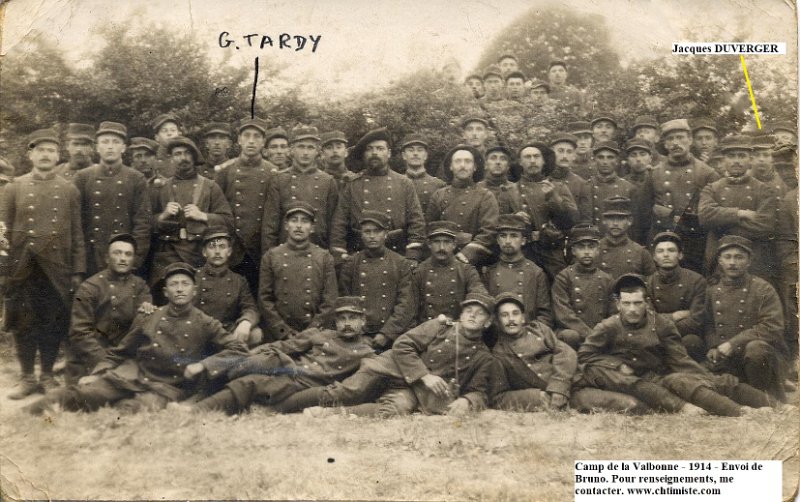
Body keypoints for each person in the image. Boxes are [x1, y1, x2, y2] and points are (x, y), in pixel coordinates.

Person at [24, 262, 249, 415]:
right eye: (173, 284)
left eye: (185, 284)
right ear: (166, 292)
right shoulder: (151, 316)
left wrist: (203, 365)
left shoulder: (205, 322)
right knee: (86, 393)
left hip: (168, 386)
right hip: (133, 376)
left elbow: (238, 350)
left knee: (132, 409)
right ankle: (28, 413)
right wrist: (97, 373)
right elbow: (120, 352)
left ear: (194, 290)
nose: (179, 289)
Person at [579, 274, 776, 416]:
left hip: (659, 375)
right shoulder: (607, 326)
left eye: (637, 303)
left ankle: (771, 404)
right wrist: (616, 365)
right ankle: (740, 412)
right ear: (618, 304)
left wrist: (702, 376)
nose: (632, 309)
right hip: (628, 380)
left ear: (646, 303)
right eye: (627, 303)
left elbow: (678, 357)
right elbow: (585, 355)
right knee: (683, 383)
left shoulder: (661, 324)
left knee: (703, 381)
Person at [274, 293, 498, 418]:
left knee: (392, 411)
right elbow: (403, 345)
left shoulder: (483, 356)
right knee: (348, 391)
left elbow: (479, 391)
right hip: (391, 366)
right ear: (461, 313)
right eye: (469, 310)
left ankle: (327, 414)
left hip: (415, 391)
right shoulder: (440, 327)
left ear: (487, 323)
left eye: (479, 314)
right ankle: (280, 407)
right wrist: (425, 375)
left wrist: (466, 400)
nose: (472, 315)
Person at [1, 129, 86, 398]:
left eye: (51, 150)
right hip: (23, 264)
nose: (46, 155)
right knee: (23, 321)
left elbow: (77, 232)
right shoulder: (14, 187)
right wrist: (5, 269)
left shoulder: (69, 189)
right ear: (30, 154)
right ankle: (27, 377)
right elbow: (3, 230)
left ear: (58, 155)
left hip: (56, 265)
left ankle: (47, 375)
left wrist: (78, 270)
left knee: (52, 321)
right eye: (40, 150)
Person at [187, 296, 375, 414]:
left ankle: (196, 410)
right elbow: (286, 345)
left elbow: (354, 387)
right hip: (284, 367)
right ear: (335, 322)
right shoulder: (321, 334)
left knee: (250, 382)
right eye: (342, 319)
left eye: (353, 318)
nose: (347, 323)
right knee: (248, 363)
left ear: (363, 321)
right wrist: (257, 352)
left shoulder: (366, 354)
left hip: (300, 384)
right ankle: (198, 395)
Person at [490, 292, 646, 413]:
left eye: (515, 313)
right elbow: (499, 397)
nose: (511, 319)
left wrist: (559, 385)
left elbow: (565, 352)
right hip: (570, 395)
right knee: (628, 404)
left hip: (579, 374)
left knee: (628, 382)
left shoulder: (538, 329)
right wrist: (538, 397)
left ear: (523, 317)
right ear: (497, 321)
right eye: (504, 315)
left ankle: (667, 402)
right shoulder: (498, 354)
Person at [703, 235, 788, 402]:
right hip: (727, 358)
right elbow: (708, 323)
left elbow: (772, 327)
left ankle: (762, 396)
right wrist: (713, 346)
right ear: (720, 261)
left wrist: (733, 344)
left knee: (756, 349)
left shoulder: (763, 288)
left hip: (762, 359)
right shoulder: (712, 290)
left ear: (749, 261)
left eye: (739, 257)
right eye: (727, 257)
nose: (732, 262)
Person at [64, 233, 152, 385]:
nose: (123, 258)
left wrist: (146, 310)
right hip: (92, 356)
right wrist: (104, 361)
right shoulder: (89, 287)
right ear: (106, 258)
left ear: (133, 260)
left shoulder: (140, 286)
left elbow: (141, 327)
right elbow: (79, 332)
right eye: (117, 253)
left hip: (124, 354)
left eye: (128, 254)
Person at [329, 127, 425, 260]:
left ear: (389, 153)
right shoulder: (352, 185)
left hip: (397, 254)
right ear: (364, 154)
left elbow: (416, 222)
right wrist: (340, 255)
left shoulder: (404, 183)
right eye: (370, 149)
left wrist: (412, 256)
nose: (374, 153)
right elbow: (339, 223)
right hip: (359, 254)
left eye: (380, 149)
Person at [151, 136, 233, 284]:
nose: (183, 158)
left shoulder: (210, 187)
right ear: (171, 159)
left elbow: (227, 221)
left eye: (187, 153)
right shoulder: (160, 188)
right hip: (167, 255)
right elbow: (146, 223)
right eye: (177, 154)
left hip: (199, 254)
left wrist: (202, 216)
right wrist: (162, 216)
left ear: (194, 156)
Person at [73, 121, 152, 276]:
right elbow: (76, 224)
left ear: (123, 148)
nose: (110, 146)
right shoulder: (82, 177)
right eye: (105, 142)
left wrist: (134, 261)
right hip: (91, 258)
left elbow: (143, 224)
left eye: (115, 142)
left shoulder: (136, 178)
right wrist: (79, 265)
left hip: (123, 258)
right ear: (97, 147)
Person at [698, 135, 777, 278]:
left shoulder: (764, 190)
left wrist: (721, 224)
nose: (736, 161)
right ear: (723, 160)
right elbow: (704, 217)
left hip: (754, 259)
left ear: (750, 160)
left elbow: (765, 225)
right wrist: (740, 214)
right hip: (718, 259)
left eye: (742, 156)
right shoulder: (712, 188)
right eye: (731, 156)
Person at [647, 119, 719, 273]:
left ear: (690, 140)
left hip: (694, 244)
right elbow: (643, 213)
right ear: (665, 144)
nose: (675, 143)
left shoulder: (707, 173)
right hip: (663, 240)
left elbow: (713, 215)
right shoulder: (654, 173)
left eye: (680, 137)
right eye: (670, 139)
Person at [259, 202, 337, 341]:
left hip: (315, 334)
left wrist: (311, 332)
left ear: (312, 228)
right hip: (280, 336)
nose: (299, 226)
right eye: (294, 220)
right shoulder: (271, 256)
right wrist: (283, 331)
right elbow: (265, 299)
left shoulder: (324, 257)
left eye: (305, 221)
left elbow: (329, 301)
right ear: (286, 226)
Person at [339, 210, 416, 351]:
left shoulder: (401, 263)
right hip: (359, 336)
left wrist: (386, 334)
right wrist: (358, 333)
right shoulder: (351, 264)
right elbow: (346, 303)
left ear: (386, 234)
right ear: (361, 235)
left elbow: (405, 304)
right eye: (367, 232)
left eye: (377, 231)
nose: (372, 236)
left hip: (392, 336)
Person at [215, 117, 276, 292]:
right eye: (247, 135)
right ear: (239, 140)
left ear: (263, 142)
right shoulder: (225, 171)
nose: (251, 140)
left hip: (259, 247)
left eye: (257, 136)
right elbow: (217, 210)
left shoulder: (272, 172)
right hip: (233, 247)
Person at [262, 125, 337, 252]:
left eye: (310, 147)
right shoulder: (279, 180)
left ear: (318, 151)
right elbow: (270, 225)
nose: (305, 152)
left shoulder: (328, 181)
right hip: (285, 251)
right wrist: (269, 257)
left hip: (318, 250)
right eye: (301, 147)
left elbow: (333, 224)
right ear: (291, 150)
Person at [426, 144, 499, 267]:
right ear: (451, 166)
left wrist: (467, 254)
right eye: (458, 161)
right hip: (442, 259)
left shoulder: (485, 196)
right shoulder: (439, 195)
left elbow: (489, 231)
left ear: (475, 167)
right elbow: (429, 228)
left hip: (473, 262)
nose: (463, 165)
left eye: (468, 161)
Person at [515, 140, 579, 279]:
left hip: (552, 251)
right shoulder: (511, 189)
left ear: (543, 161)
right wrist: (514, 218)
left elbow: (572, 221)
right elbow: (499, 222)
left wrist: (553, 197)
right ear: (520, 162)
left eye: (537, 156)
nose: (532, 161)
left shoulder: (558, 187)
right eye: (527, 157)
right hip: (523, 252)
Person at [645, 232, 707, 361]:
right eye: (660, 251)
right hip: (656, 337)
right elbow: (647, 320)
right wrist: (675, 316)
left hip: (684, 337)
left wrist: (662, 324)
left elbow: (696, 321)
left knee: (692, 341)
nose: (666, 254)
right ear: (654, 257)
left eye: (671, 250)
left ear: (680, 255)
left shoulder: (696, 281)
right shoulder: (648, 283)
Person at [194, 228, 261, 347]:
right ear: (204, 252)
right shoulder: (194, 277)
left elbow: (250, 307)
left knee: (256, 334)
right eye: (212, 247)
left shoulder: (239, 280)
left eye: (222, 246)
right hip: (199, 330)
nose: (217, 251)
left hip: (226, 331)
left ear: (229, 251)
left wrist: (246, 321)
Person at [551, 224, 614, 350]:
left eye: (591, 247)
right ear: (573, 250)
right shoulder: (563, 278)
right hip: (575, 335)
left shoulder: (607, 279)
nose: (586, 252)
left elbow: (613, 313)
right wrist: (591, 335)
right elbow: (564, 315)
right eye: (581, 247)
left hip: (600, 333)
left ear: (597, 250)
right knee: (570, 336)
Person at [482, 214, 552, 327]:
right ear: (498, 240)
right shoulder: (489, 273)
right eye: (503, 236)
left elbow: (545, 315)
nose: (508, 241)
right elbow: (485, 312)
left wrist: (531, 334)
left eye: (514, 236)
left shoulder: (535, 273)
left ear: (523, 240)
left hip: (528, 334)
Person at [412, 220, 486, 324]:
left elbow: (478, 295)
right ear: (429, 244)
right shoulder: (419, 272)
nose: (441, 247)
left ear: (454, 245)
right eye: (436, 242)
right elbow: (410, 310)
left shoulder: (467, 271)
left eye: (447, 242)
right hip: (426, 331)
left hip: (457, 330)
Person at [598, 196, 656, 279]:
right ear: (604, 220)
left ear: (630, 221)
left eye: (620, 219)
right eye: (611, 218)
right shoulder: (595, 251)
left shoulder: (641, 253)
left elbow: (651, 283)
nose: (615, 223)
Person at [588, 141, 636, 227]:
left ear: (617, 160)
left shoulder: (628, 188)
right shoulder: (586, 186)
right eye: (600, 157)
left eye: (610, 157)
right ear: (594, 160)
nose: (605, 162)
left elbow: (633, 223)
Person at [399, 133, 446, 217]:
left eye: (420, 150)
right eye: (411, 150)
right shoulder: (397, 183)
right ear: (404, 155)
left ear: (425, 155)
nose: (415, 153)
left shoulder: (439, 185)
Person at [549, 132, 591, 222]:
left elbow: (585, 219)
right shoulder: (542, 179)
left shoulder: (581, 184)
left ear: (573, 155)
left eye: (569, 152)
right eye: (560, 151)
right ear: (551, 153)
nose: (565, 156)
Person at [623, 138, 655, 244]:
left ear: (650, 158)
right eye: (633, 155)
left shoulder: (658, 181)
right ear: (627, 160)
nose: (638, 159)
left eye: (642, 154)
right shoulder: (622, 184)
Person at [476, 142, 520, 215]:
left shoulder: (516, 189)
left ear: (508, 166)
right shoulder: (476, 189)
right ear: (485, 165)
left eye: (503, 159)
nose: (498, 162)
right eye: (493, 158)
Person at [151, 113, 183, 178]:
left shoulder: (187, 157)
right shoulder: (152, 159)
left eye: (173, 130)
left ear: (179, 134)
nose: (169, 133)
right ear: (157, 137)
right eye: (164, 131)